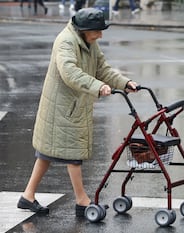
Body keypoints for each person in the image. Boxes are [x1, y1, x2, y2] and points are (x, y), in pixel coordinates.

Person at [16, 8, 138, 217]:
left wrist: (124, 82)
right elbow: (69, 72)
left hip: (72, 105)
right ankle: (82, 201)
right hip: (63, 107)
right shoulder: (65, 42)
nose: (100, 35)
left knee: (47, 153)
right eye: (97, 31)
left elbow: (103, 68)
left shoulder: (89, 42)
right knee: (73, 154)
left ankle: (27, 196)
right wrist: (97, 86)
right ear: (84, 29)